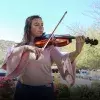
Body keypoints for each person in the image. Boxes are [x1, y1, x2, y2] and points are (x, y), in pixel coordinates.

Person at [1, 15, 85, 100]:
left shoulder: (49, 46)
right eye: (36, 24)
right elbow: (10, 57)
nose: (41, 27)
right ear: (28, 28)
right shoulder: (20, 46)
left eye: (42, 24)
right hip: (23, 89)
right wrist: (26, 47)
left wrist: (77, 51)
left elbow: (62, 60)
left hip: (45, 90)